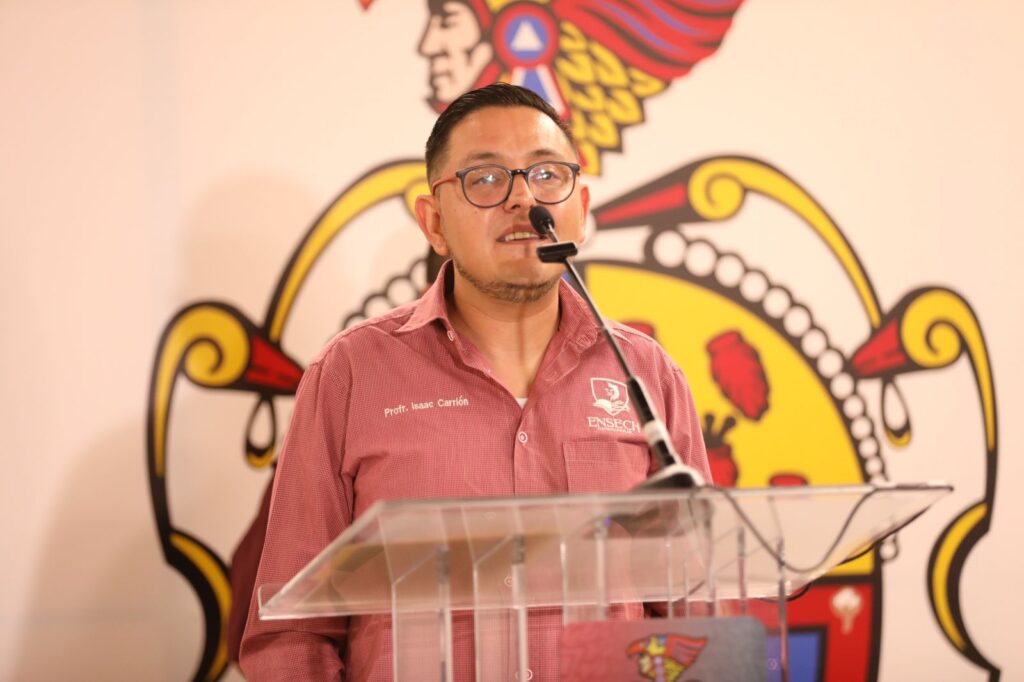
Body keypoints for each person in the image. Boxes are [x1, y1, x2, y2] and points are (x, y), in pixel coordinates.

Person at [239, 83, 710, 681]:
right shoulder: (351, 374)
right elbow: (290, 635)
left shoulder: (647, 374)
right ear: (434, 222)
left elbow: (696, 606)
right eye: (485, 180)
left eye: (547, 175)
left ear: (581, 209)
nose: (523, 198)